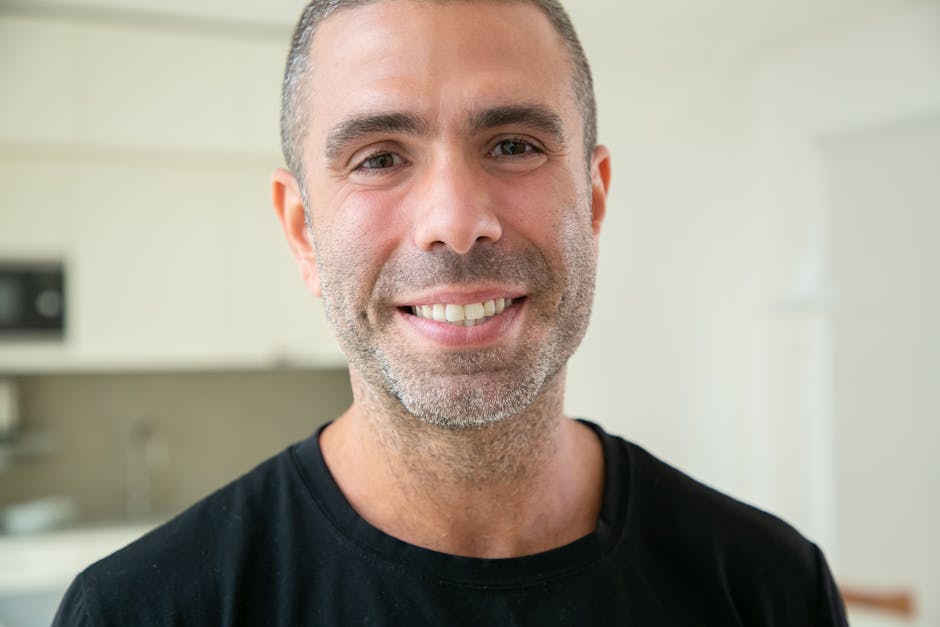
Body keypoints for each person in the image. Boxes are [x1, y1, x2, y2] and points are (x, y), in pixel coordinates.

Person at [54, 0, 849, 624]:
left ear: (594, 199)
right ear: (302, 232)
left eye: (513, 145)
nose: (456, 221)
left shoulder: (770, 589)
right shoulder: (139, 611)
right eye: (380, 158)